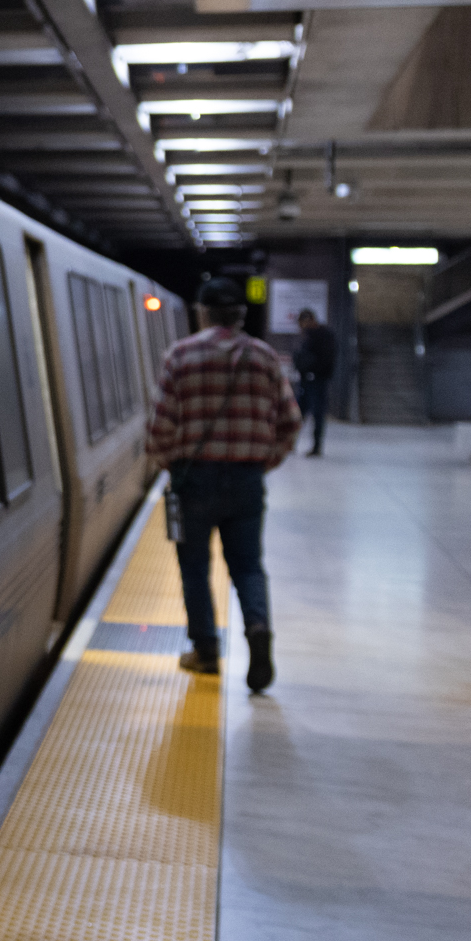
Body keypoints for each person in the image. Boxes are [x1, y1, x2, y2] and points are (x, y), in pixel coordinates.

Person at [146, 278, 302, 691]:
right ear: (241, 316)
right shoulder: (266, 357)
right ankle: (257, 627)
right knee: (248, 566)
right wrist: (264, 462)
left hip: (193, 478)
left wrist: (168, 463)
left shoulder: (180, 356)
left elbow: (160, 426)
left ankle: (206, 652)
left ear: (203, 313)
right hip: (247, 478)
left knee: (194, 568)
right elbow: (290, 421)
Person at [292, 308, 338, 457]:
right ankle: (290, 443)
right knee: (298, 412)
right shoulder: (309, 336)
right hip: (307, 379)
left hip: (318, 380)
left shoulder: (323, 336)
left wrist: (313, 370)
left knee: (318, 413)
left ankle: (317, 446)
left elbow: (326, 359)